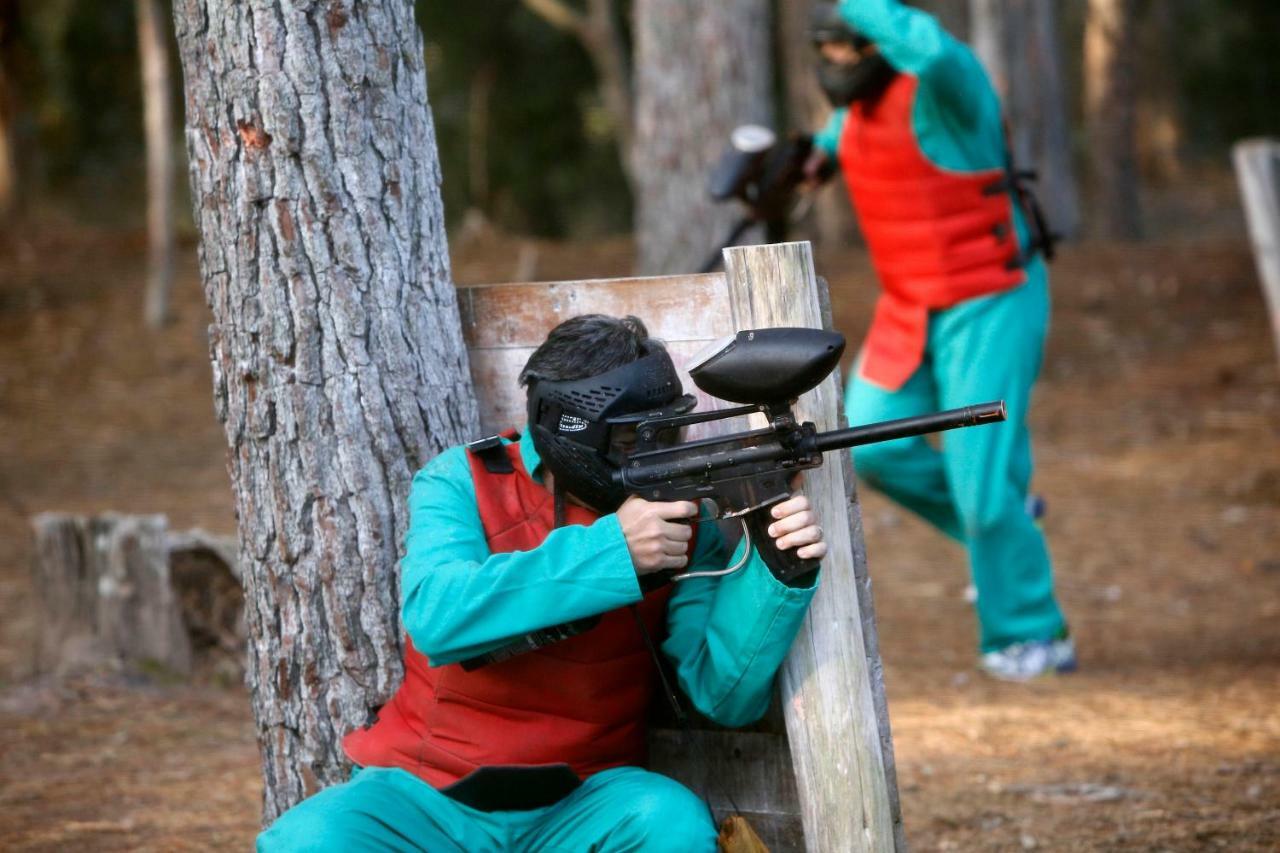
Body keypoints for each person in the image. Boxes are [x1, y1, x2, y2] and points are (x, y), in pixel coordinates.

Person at [257, 314, 827, 852]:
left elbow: (718, 694)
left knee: (668, 821)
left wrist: (775, 570)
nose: (656, 456)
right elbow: (436, 615)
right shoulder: (463, 479)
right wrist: (612, 552)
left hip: (583, 800)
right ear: (571, 429)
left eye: (665, 434)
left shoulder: (681, 516)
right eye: (632, 442)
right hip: (422, 793)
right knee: (311, 839)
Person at [804, 0, 1074, 681]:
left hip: (990, 299)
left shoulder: (949, 90)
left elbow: (932, 52)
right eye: (828, 52)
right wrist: (806, 161)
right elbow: (839, 141)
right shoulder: (856, 112)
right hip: (911, 304)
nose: (839, 65)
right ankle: (1004, 533)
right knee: (867, 441)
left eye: (853, 49)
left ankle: (1032, 633)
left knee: (983, 487)